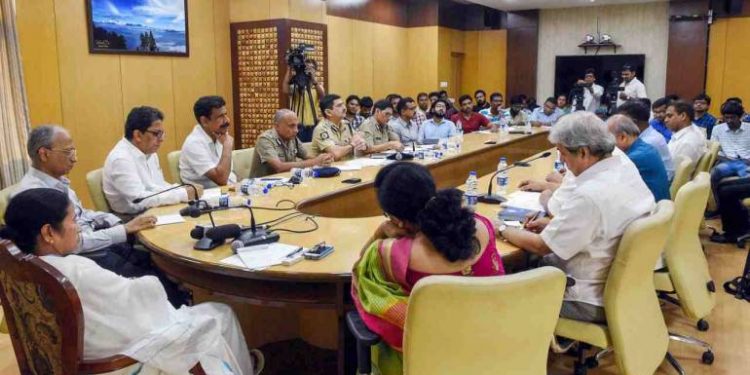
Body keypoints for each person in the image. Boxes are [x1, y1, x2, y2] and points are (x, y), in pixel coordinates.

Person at [0, 188, 259, 375]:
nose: (79, 227)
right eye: (73, 221)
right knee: (220, 314)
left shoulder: (19, 267)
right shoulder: (73, 271)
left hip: (60, 360)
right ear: (48, 233)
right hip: (112, 364)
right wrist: (153, 283)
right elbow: (140, 305)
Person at [498, 112, 655, 323]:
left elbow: (541, 246)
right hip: (627, 288)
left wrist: (498, 228)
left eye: (562, 153)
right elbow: (602, 224)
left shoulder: (589, 195)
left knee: (500, 295)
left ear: (583, 152)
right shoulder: (623, 167)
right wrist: (556, 224)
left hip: (586, 298)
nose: (561, 161)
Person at [351, 162, 505, 373]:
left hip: (432, 361)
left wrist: (380, 232)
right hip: (495, 347)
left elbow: (360, 271)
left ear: (397, 220)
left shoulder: (390, 253)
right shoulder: (481, 225)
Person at [14, 126, 175, 282]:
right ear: (44, 154)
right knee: (152, 279)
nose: (74, 158)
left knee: (156, 263)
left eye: (74, 151)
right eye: (68, 151)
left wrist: (117, 222)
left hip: (93, 242)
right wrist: (123, 229)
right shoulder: (35, 195)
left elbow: (82, 214)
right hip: (80, 259)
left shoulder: (56, 180)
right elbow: (73, 244)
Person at [103, 106, 203, 218]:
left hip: (153, 209)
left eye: (162, 133)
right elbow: (140, 200)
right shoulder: (120, 159)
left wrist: (183, 189)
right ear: (138, 135)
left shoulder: (149, 153)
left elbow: (157, 187)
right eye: (156, 134)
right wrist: (182, 194)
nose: (161, 139)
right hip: (131, 218)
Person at [250, 109, 333, 178]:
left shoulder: (292, 138)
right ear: (277, 126)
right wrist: (314, 162)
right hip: (260, 188)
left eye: (297, 126)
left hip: (286, 181)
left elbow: (308, 157)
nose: (296, 130)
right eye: (291, 126)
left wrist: (323, 159)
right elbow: (279, 167)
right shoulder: (265, 139)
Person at [607, 115, 670, 201]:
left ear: (623, 137)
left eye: (608, 140)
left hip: (652, 210)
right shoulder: (644, 147)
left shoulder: (633, 158)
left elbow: (609, 185)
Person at [706, 101, 750, 227]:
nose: (729, 120)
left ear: (740, 116)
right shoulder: (718, 129)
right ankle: (720, 207)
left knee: (741, 182)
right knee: (715, 173)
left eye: (733, 117)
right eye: (726, 117)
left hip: (747, 162)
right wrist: (729, 160)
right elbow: (715, 151)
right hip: (727, 161)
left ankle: (740, 211)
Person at [179, 96, 237, 188]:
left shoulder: (219, 133)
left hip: (228, 191)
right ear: (204, 121)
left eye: (226, 114)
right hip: (205, 197)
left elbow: (230, 176)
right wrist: (227, 146)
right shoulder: (193, 144)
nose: (227, 120)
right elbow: (221, 179)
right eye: (220, 117)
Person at [617, 100, 675, 180]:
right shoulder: (647, 134)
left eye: (621, 122)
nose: (619, 127)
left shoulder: (649, 142)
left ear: (633, 122)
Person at [310, 94, 367, 160]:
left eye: (343, 104)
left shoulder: (346, 124)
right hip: (330, 168)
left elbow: (358, 136)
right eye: (339, 106)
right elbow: (336, 154)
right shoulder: (321, 129)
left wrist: (360, 140)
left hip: (349, 166)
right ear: (328, 112)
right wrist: (353, 145)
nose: (344, 108)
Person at [283, 57, 326, 142]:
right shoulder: (296, 86)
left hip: (313, 126)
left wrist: (313, 79)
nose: (308, 70)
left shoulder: (317, 87)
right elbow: (285, 89)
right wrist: (289, 69)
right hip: (297, 126)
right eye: (306, 68)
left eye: (311, 68)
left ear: (315, 70)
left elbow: (323, 96)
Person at [666, 101, 707, 167]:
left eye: (669, 116)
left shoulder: (687, 142)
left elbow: (672, 171)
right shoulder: (685, 133)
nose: (666, 120)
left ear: (683, 116)